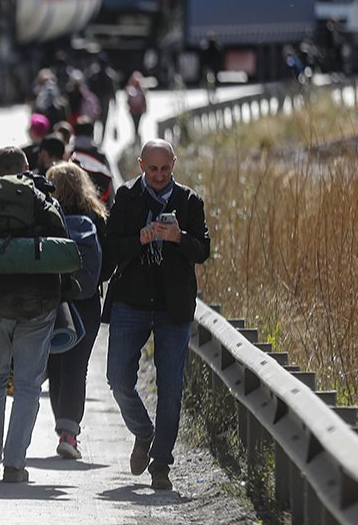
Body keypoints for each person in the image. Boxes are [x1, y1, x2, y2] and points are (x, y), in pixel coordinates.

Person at [103, 139, 209, 491]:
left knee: (171, 388)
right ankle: (143, 432)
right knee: (118, 378)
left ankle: (161, 464)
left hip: (172, 306)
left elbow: (203, 251)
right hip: (131, 301)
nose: (160, 176)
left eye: (166, 169)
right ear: (141, 165)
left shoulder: (189, 200)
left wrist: (179, 238)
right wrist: (141, 239)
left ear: (174, 164)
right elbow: (111, 247)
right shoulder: (127, 196)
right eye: (153, 169)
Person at [0, 146, 69, 483]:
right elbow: (61, 244)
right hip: (37, 304)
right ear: (25, 167)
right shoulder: (43, 201)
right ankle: (14, 463)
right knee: (27, 384)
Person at [44, 162, 107, 460]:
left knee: (55, 364)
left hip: (52, 299)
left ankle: (62, 429)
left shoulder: (45, 216)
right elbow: (107, 266)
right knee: (76, 367)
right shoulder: (97, 217)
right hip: (86, 301)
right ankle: (69, 433)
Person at [69, 117, 115, 205]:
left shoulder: (69, 155)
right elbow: (110, 186)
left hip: (74, 204)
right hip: (98, 204)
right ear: (92, 134)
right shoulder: (101, 156)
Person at [125, 72, 148, 140]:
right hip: (134, 110)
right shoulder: (132, 89)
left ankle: (136, 136)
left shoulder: (139, 90)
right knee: (135, 124)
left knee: (136, 124)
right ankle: (136, 136)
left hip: (137, 110)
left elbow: (144, 100)